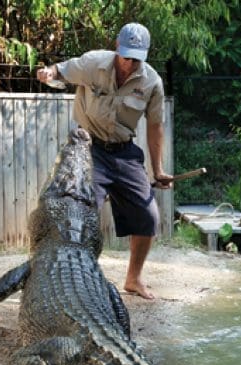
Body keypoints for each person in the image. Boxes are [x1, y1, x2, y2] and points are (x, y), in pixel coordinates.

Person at [36, 22, 171, 299]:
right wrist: (49, 72)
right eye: (126, 56)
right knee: (81, 215)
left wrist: (157, 170)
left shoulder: (152, 82)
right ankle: (77, 279)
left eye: (136, 58)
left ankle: (133, 279)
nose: (129, 63)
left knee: (148, 216)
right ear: (117, 48)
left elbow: (156, 127)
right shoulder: (94, 63)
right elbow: (62, 70)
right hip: (88, 148)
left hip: (124, 151)